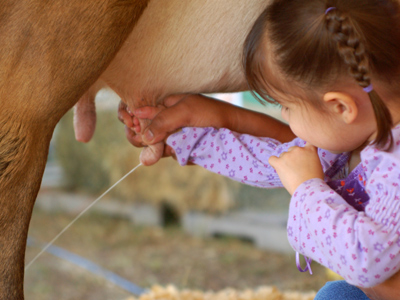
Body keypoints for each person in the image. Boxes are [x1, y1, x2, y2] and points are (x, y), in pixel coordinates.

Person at [119, 1, 400, 299]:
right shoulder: (356, 134)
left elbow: (367, 261)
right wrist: (185, 137)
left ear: (340, 106)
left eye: (287, 106)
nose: (284, 117)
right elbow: (268, 161)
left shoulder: (394, 165)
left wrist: (307, 188)